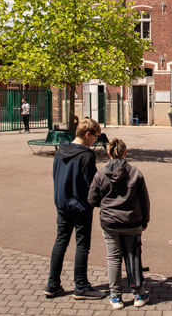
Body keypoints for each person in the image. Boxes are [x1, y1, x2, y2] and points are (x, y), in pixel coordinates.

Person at [44, 118, 105, 300]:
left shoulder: (61, 150)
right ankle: (81, 285)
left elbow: (56, 176)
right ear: (87, 135)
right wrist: (98, 202)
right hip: (80, 206)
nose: (95, 141)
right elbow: (92, 184)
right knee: (82, 245)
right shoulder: (86, 156)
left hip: (62, 204)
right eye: (95, 137)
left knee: (61, 242)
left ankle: (52, 284)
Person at [88, 137, 151, 310]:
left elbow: (92, 198)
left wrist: (107, 205)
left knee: (113, 258)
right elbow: (144, 200)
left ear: (108, 153)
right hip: (132, 221)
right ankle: (139, 293)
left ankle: (115, 296)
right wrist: (145, 220)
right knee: (134, 256)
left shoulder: (101, 173)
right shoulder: (135, 172)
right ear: (125, 153)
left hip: (110, 222)